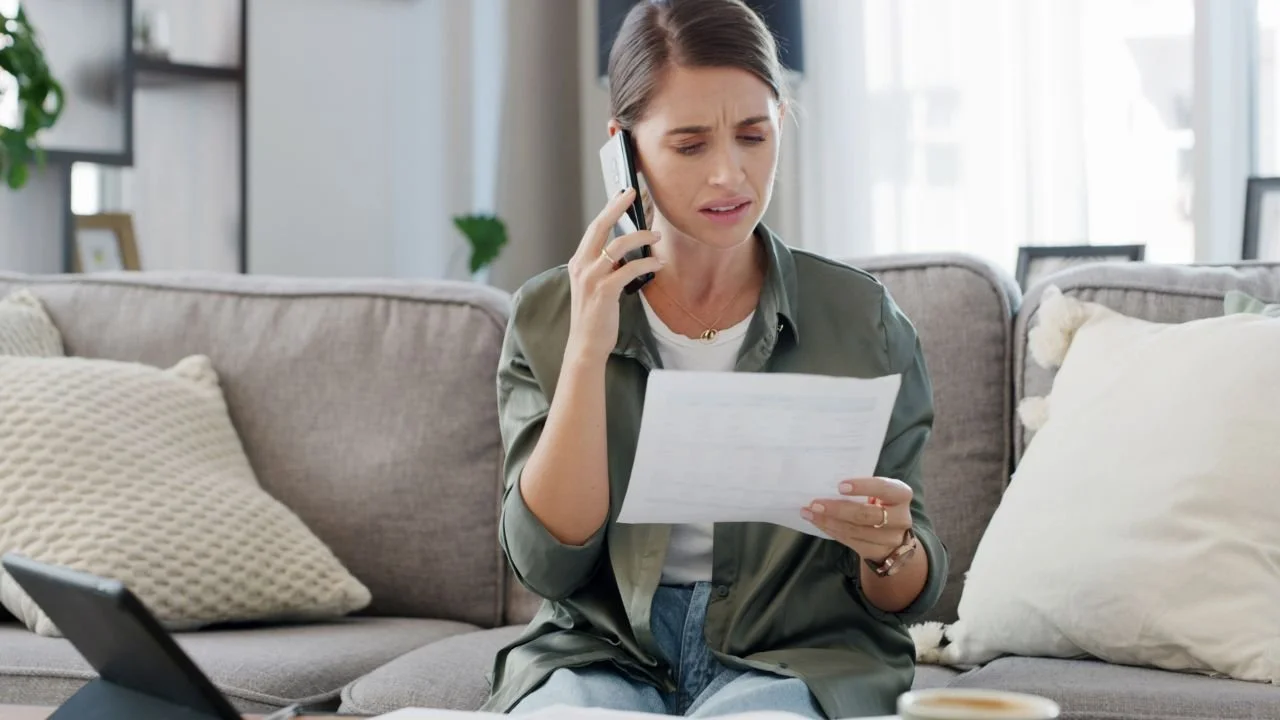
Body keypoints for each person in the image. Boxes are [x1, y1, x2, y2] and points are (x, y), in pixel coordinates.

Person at [481, 0, 948, 717]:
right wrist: (585, 352)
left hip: (798, 657)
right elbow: (547, 564)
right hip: (602, 652)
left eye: (753, 136)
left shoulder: (863, 322)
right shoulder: (550, 314)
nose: (731, 176)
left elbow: (904, 595)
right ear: (625, 149)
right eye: (691, 144)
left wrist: (888, 549)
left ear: (781, 126)